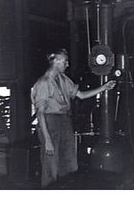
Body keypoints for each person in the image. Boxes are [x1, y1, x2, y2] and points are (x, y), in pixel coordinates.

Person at [31, 48, 116, 188]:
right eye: (65, 61)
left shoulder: (64, 79)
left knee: (69, 164)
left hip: (65, 122)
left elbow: (81, 95)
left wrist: (104, 88)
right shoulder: (43, 83)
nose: (67, 64)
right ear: (56, 62)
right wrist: (47, 141)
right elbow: (40, 114)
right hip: (49, 123)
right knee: (50, 166)